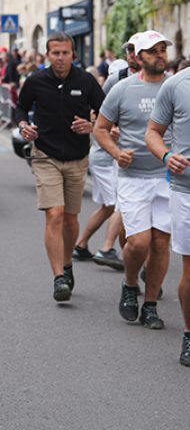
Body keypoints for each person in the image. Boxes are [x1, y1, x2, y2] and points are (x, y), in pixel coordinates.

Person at [14, 31, 104, 303]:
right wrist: (24, 127)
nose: (61, 58)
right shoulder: (36, 81)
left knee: (70, 218)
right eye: (56, 53)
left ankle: (67, 264)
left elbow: (105, 115)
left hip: (77, 158)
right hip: (45, 155)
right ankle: (58, 278)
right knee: (54, 213)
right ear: (47, 55)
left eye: (65, 53)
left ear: (73, 55)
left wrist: (92, 126)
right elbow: (19, 109)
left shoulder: (86, 81)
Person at [94, 31, 173, 329]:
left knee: (161, 244)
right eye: (152, 51)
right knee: (139, 243)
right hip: (132, 176)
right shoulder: (122, 89)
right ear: (139, 57)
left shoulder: (175, 87)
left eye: (162, 50)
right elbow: (100, 128)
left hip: (168, 177)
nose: (159, 56)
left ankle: (150, 305)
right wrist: (116, 152)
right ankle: (129, 285)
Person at [146, 49, 190, 365]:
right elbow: (153, 133)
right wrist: (165, 155)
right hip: (186, 189)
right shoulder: (176, 85)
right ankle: (189, 335)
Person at [73, 58, 129, 269]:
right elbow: (101, 126)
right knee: (118, 205)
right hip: (105, 159)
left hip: (104, 159)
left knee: (108, 207)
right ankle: (106, 248)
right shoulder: (107, 101)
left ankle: (81, 244)